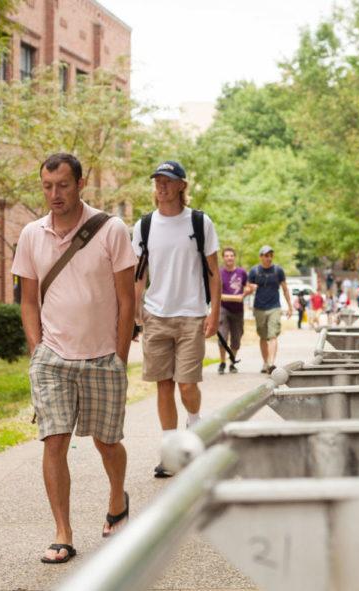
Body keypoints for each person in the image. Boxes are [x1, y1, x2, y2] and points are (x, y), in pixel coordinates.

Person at [13, 153, 136, 563]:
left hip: (103, 357)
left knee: (107, 442)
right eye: (48, 187)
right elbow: (28, 301)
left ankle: (117, 497)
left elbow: (125, 299)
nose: (54, 194)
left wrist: (119, 356)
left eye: (63, 185)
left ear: (80, 184)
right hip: (53, 358)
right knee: (55, 441)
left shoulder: (111, 230)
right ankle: (62, 532)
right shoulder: (32, 234)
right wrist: (37, 351)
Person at [133, 160, 221, 478]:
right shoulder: (144, 226)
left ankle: (195, 425)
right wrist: (135, 309)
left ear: (181, 185)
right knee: (163, 385)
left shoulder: (199, 222)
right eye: (157, 180)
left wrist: (214, 312)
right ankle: (170, 451)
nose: (161, 186)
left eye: (168, 181)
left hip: (191, 315)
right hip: (157, 315)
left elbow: (213, 272)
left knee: (186, 385)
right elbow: (138, 274)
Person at [247, 245, 293, 373]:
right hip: (259, 307)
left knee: (272, 335)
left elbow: (285, 289)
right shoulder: (254, 271)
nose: (269, 258)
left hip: (274, 307)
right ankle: (265, 362)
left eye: (270, 255)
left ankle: (271, 363)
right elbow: (247, 287)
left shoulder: (278, 271)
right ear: (261, 257)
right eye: (266, 255)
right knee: (263, 336)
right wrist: (250, 287)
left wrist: (290, 306)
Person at [218, 247, 247, 374]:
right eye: (227, 255)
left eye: (231, 255)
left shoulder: (242, 272)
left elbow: (247, 287)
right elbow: (217, 294)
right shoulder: (219, 273)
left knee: (236, 338)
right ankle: (222, 362)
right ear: (223, 258)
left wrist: (246, 293)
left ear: (234, 257)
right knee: (222, 337)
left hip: (238, 311)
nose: (229, 257)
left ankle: (232, 363)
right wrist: (236, 297)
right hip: (223, 308)